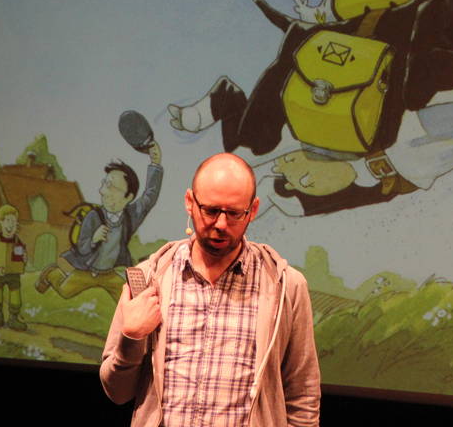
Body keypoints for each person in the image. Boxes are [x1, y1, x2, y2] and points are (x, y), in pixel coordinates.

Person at [100, 153, 321, 426]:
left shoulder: (286, 286)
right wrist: (131, 338)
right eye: (211, 211)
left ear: (252, 210)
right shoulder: (150, 279)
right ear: (190, 202)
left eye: (234, 213)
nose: (221, 224)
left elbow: (303, 397)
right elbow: (117, 393)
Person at [36, 142, 163, 301]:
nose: (102, 191)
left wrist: (155, 165)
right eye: (105, 184)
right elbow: (81, 247)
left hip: (109, 273)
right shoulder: (93, 217)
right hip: (87, 270)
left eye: (111, 187)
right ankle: (52, 273)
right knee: (65, 291)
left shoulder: (130, 217)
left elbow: (149, 197)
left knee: (127, 299)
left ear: (128, 197)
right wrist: (93, 239)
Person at [0, 204, 28, 331]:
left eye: (14, 221)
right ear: (1, 223)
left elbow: (21, 259)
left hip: (14, 275)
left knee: (15, 295)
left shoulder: (18, 242)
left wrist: (24, 259)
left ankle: (13, 319)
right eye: (8, 220)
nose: (11, 224)